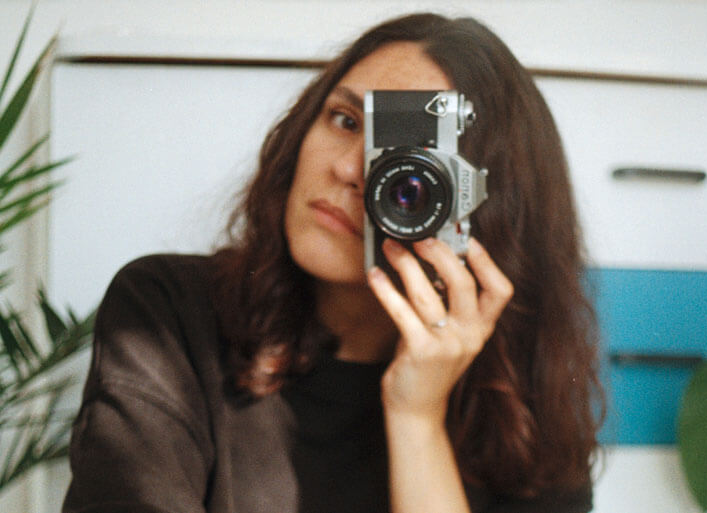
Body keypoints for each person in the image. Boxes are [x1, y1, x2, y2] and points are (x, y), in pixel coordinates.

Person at [62, 12, 602, 513]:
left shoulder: (528, 419)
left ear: (477, 202)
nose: (349, 169)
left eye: (406, 159)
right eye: (344, 120)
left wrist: (417, 419)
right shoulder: (169, 313)